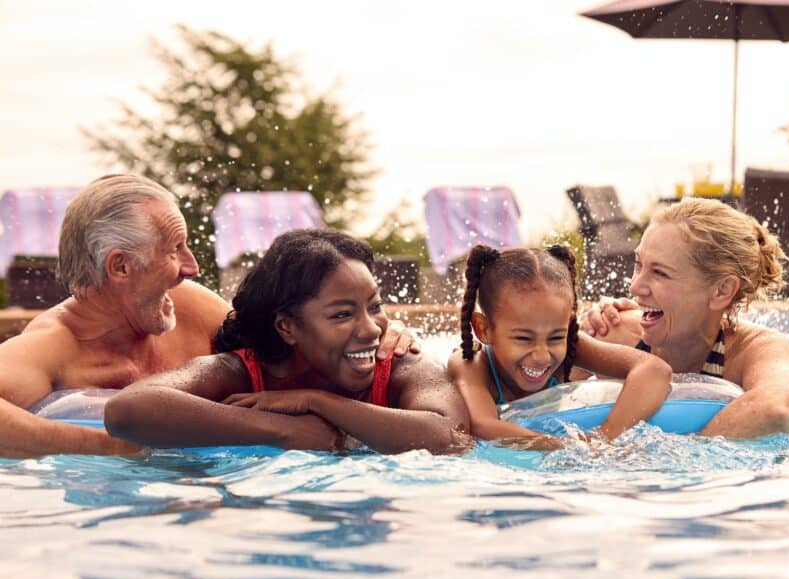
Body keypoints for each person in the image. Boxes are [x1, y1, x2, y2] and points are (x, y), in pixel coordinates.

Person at [0, 174, 417, 459]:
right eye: (175, 248)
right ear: (120, 267)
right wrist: (120, 447)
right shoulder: (50, 348)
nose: (191, 266)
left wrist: (376, 330)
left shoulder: (191, 307)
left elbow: (293, 338)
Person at [105, 229, 471, 454]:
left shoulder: (399, 362)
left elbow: (453, 438)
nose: (372, 329)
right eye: (342, 315)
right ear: (287, 327)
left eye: (373, 306)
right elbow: (127, 409)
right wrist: (286, 431)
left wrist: (319, 402)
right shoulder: (245, 372)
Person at [580, 198, 789, 438]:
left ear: (721, 290)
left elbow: (777, 408)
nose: (635, 287)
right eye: (638, 264)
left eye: (660, 272)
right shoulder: (614, 333)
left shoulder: (752, 350)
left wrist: (679, 457)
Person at [447, 244, 672, 446]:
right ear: (483, 329)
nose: (542, 355)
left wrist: (603, 439)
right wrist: (562, 445)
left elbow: (655, 370)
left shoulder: (573, 345)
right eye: (523, 338)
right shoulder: (471, 364)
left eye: (556, 337)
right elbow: (483, 425)